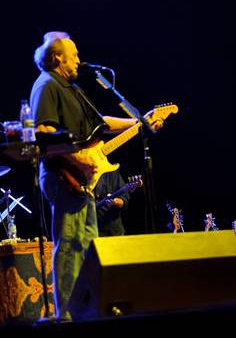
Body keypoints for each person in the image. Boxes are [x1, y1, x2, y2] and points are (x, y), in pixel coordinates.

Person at [30, 31, 164, 321]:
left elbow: (100, 124)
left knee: (89, 244)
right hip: (63, 175)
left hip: (82, 180)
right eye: (74, 54)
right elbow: (43, 132)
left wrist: (139, 121)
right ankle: (65, 315)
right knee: (69, 244)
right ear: (57, 57)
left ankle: (86, 311)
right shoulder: (46, 85)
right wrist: (77, 159)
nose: (79, 59)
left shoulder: (72, 89)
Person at [94, 170, 129, 237]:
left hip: (112, 231)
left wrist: (116, 202)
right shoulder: (82, 172)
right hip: (90, 231)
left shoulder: (112, 173)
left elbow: (124, 198)